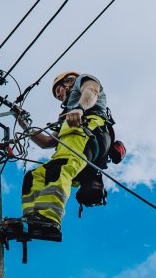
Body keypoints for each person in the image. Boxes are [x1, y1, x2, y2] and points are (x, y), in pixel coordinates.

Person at [17, 71, 110, 240]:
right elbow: (45, 142)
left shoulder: (83, 83)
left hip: (87, 131)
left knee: (59, 169)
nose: (58, 95)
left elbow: (92, 92)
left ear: (69, 81)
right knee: (35, 176)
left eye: (58, 90)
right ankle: (33, 219)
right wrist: (24, 125)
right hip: (71, 138)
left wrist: (80, 109)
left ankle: (49, 219)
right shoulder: (68, 114)